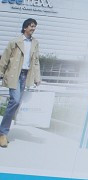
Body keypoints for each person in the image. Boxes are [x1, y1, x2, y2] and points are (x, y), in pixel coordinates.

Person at [0, 18, 41, 149]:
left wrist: (37, 77)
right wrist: (0, 73)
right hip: (14, 75)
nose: (33, 28)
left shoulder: (35, 43)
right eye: (31, 26)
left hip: (25, 75)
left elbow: (36, 61)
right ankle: (3, 133)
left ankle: (3, 131)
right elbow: (5, 58)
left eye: (35, 26)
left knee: (16, 103)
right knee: (15, 101)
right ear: (25, 28)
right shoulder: (15, 42)